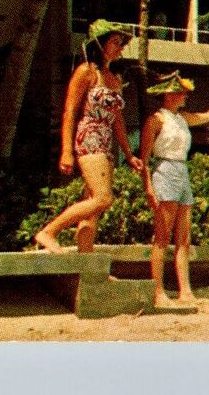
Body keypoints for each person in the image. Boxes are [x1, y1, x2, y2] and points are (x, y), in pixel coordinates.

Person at [34, 20, 143, 253]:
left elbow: (118, 120)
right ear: (100, 44)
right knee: (103, 199)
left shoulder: (114, 78)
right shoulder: (86, 72)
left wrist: (128, 153)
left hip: (105, 141)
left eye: (121, 43)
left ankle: (86, 259)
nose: (120, 47)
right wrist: (66, 151)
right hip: (89, 136)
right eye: (115, 42)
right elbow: (70, 110)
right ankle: (49, 231)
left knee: (91, 206)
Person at [140, 70, 209, 308]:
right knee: (162, 237)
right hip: (165, 171)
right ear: (169, 95)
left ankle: (185, 290)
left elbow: (208, 116)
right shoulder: (155, 120)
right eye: (181, 92)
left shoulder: (182, 118)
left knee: (183, 238)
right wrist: (148, 187)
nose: (185, 95)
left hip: (182, 171)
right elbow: (144, 159)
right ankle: (158, 292)